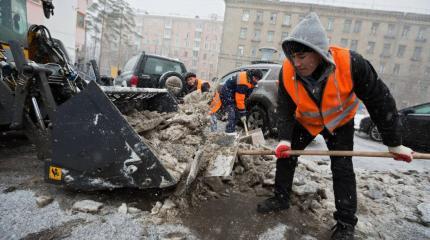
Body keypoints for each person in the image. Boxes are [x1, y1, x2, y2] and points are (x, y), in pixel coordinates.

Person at [256, 12, 414, 239]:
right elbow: (284, 108)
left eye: (301, 56)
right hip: (307, 121)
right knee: (286, 156)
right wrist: (284, 139)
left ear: (319, 52)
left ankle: (345, 223)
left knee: (342, 167)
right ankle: (280, 198)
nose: (296, 63)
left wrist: (394, 143)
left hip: (339, 121)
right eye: (293, 57)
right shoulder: (287, 71)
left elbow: (380, 100)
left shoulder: (352, 64)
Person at [209, 69, 263, 133]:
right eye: (255, 78)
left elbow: (244, 96)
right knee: (232, 113)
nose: (256, 80)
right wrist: (242, 112)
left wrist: (242, 111)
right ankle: (229, 132)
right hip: (227, 93)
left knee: (237, 114)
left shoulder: (252, 81)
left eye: (258, 79)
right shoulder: (243, 81)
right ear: (252, 76)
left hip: (234, 94)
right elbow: (239, 99)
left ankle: (231, 129)